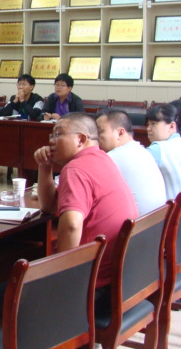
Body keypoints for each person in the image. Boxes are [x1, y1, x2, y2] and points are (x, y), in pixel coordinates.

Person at [34, 112, 137, 291]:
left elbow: (71, 225)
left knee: (1, 293)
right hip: (121, 278)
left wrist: (62, 279)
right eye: (51, 135)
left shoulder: (75, 169)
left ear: (81, 139)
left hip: (92, 283)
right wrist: (44, 167)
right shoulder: (103, 158)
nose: (51, 141)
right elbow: (49, 207)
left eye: (58, 134)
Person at [95, 110, 166, 215]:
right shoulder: (142, 151)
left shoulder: (112, 157)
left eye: (100, 132)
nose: (95, 138)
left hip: (136, 224)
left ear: (120, 133)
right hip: (156, 222)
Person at [145, 103, 181, 200]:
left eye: (153, 124)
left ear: (171, 126)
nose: (148, 129)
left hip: (172, 207)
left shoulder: (158, 149)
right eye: (148, 124)